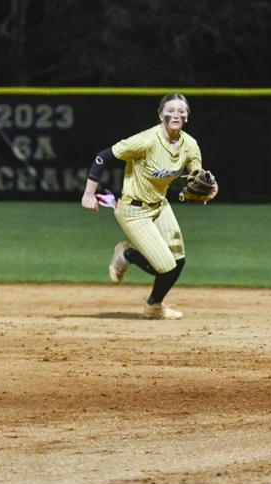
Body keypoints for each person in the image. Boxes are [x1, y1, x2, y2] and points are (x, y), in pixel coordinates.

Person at [81, 93, 217, 319]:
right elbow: (102, 157)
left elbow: (197, 175)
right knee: (164, 267)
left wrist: (210, 187)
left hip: (160, 206)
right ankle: (126, 254)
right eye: (171, 110)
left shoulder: (190, 144)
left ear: (187, 116)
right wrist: (89, 193)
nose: (176, 114)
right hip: (133, 210)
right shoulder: (146, 140)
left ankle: (154, 306)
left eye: (181, 111)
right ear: (160, 114)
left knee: (178, 261)